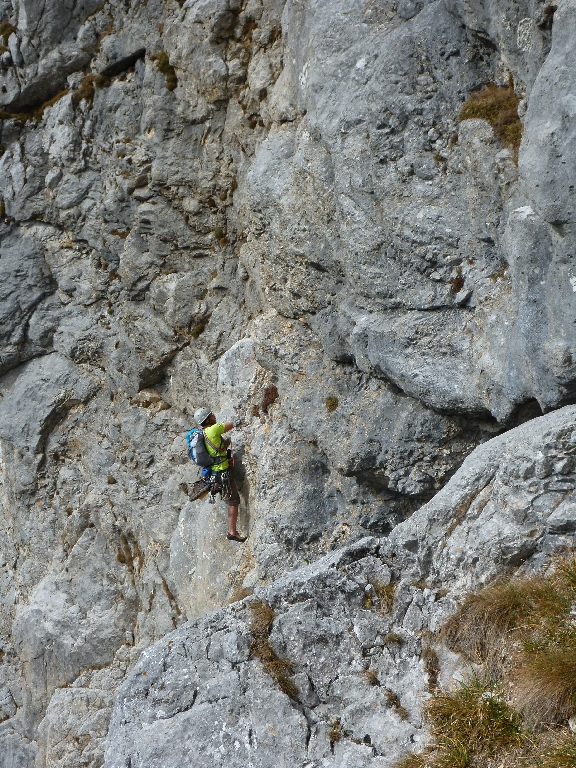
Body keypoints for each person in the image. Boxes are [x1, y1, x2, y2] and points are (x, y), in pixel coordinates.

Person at [194, 407, 246, 542]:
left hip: (215, 473)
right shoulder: (213, 429)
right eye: (211, 415)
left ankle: (216, 487)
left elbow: (216, 450)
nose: (214, 415)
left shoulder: (203, 433)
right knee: (233, 501)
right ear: (207, 419)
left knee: (230, 498)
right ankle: (232, 532)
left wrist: (225, 444)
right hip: (223, 472)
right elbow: (233, 423)